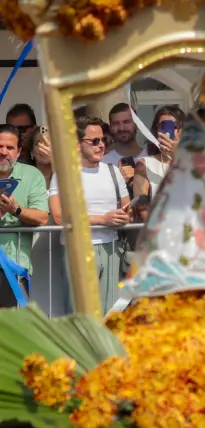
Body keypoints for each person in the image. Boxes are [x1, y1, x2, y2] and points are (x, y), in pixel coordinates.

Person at [49, 116, 130, 315]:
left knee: (110, 316)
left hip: (112, 247)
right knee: (81, 317)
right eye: (94, 141)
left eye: (104, 140)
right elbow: (59, 216)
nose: (101, 145)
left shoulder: (113, 171)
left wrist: (125, 217)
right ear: (77, 145)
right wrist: (102, 220)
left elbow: (128, 209)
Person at [0, 124, 48, 307]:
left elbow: (43, 217)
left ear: (19, 151)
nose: (4, 152)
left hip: (14, 266)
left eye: (10, 147)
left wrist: (16, 210)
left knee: (12, 330)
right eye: (0, 146)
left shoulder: (32, 175)